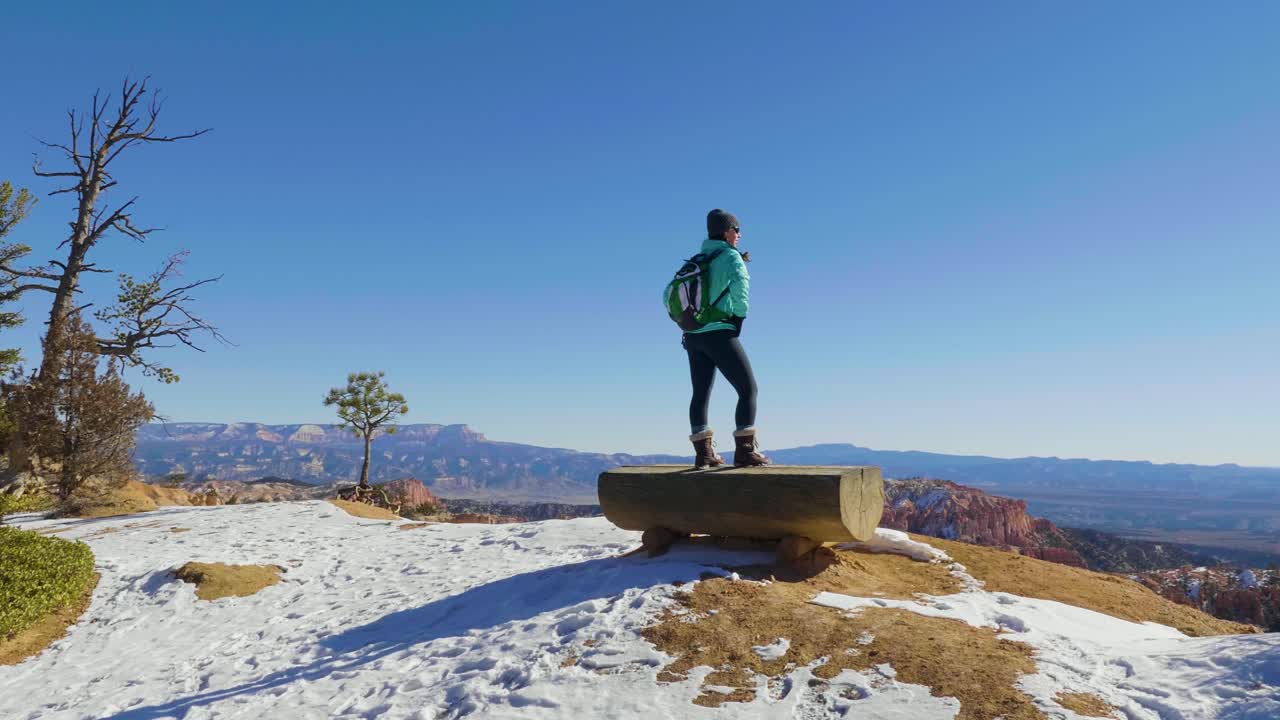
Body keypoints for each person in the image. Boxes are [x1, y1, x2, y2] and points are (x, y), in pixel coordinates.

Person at [684, 208, 770, 469]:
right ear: (728, 231)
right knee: (748, 389)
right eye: (737, 230)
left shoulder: (699, 258)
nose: (740, 235)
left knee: (700, 392)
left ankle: (704, 455)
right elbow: (741, 293)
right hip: (719, 331)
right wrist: (738, 321)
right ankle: (745, 452)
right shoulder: (730, 257)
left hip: (693, 335)